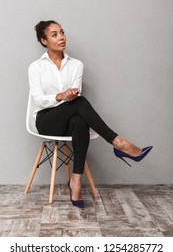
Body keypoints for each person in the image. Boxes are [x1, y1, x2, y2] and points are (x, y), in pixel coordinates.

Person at [28, 20, 153, 208]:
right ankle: (119, 143)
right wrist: (61, 95)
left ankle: (75, 181)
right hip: (46, 120)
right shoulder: (36, 67)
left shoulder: (76, 65)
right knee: (80, 104)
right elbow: (38, 99)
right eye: (54, 34)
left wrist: (69, 96)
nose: (61, 37)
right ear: (44, 41)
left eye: (62, 32)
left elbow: (75, 93)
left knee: (80, 120)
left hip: (70, 117)